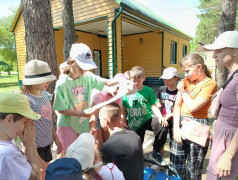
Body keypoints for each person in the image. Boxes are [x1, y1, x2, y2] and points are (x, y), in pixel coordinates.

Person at [53, 43, 129, 157]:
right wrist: (81, 113)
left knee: (81, 152)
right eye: (83, 65)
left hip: (82, 122)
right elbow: (60, 109)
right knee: (66, 153)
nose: (86, 69)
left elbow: (107, 82)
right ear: (73, 62)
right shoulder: (62, 83)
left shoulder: (88, 76)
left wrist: (123, 82)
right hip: (67, 123)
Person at [170, 53, 217, 180]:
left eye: (187, 71)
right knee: (176, 164)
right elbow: (177, 106)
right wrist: (176, 129)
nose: (185, 75)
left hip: (198, 125)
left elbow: (193, 107)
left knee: (194, 167)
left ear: (199, 67)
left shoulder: (210, 84)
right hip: (180, 123)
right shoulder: (186, 81)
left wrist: (182, 91)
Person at [203, 31, 238, 180]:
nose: (213, 55)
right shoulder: (232, 75)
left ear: (235, 51)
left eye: (219, 50)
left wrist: (229, 155)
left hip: (229, 142)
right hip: (222, 138)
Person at [21, 59, 62, 180]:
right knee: (38, 174)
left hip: (47, 143)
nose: (48, 82)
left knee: (45, 172)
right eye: (44, 79)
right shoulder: (27, 101)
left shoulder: (44, 95)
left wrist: (56, 139)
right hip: (34, 146)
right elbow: (27, 131)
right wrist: (37, 158)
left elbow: (48, 120)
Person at [121, 66, 166, 165]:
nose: (136, 83)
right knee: (136, 147)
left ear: (144, 78)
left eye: (139, 80)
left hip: (147, 119)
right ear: (130, 79)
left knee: (161, 126)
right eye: (134, 81)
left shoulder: (148, 91)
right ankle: (137, 163)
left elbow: (154, 106)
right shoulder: (126, 92)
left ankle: (155, 151)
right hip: (134, 124)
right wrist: (123, 121)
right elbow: (123, 109)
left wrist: (160, 117)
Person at [0, 91, 41, 180]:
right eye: (25, 122)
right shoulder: (8, 153)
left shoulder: (6, 142)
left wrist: (25, 145)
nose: (26, 126)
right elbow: (36, 177)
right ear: (9, 119)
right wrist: (31, 145)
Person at [99, 102, 144, 180]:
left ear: (106, 121)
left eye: (100, 119)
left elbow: (107, 173)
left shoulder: (107, 147)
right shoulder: (133, 133)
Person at [157, 67, 179, 157]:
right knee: (160, 140)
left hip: (175, 120)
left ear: (176, 78)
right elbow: (158, 103)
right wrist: (160, 116)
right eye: (164, 79)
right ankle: (160, 159)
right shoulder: (161, 89)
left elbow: (182, 108)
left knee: (173, 141)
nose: (166, 82)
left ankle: (173, 160)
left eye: (169, 79)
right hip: (163, 119)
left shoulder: (180, 91)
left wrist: (170, 115)